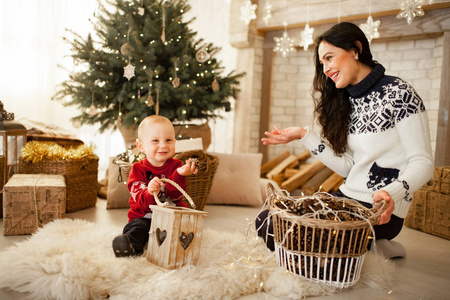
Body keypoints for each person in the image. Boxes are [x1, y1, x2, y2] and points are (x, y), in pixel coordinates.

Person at [257, 22, 434, 258]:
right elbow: (349, 168)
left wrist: (391, 194)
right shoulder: (345, 101)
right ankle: (366, 248)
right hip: (346, 199)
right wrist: (303, 135)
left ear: (355, 49)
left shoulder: (399, 94)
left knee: (299, 233)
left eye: (330, 58)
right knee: (268, 221)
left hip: (380, 210)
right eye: (322, 63)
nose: (326, 69)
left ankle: (376, 246)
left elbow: (423, 162)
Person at [112, 115, 198, 257]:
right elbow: (141, 200)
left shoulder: (176, 165)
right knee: (137, 229)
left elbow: (175, 194)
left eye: (168, 140)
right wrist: (150, 191)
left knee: (183, 230)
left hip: (172, 217)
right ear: (141, 146)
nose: (163, 145)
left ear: (175, 142)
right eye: (155, 141)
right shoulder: (137, 169)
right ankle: (129, 247)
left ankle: (179, 250)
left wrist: (179, 174)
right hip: (144, 216)